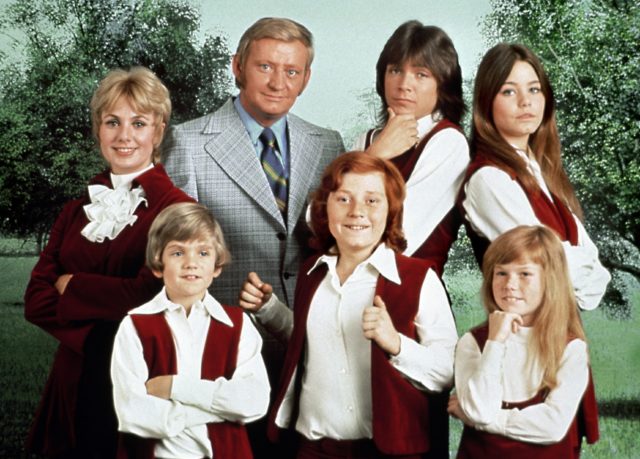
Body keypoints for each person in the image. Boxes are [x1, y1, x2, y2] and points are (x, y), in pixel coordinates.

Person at [240, 152, 458, 458]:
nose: (357, 211)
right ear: (324, 206)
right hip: (314, 449)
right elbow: (312, 342)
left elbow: (447, 373)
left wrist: (396, 344)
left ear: (391, 209)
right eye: (343, 199)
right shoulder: (312, 272)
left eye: (372, 200)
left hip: (389, 451)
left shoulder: (419, 279)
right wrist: (269, 309)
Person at [23, 67, 193, 458]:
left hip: (142, 382)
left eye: (139, 123)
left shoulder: (178, 209)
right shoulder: (75, 210)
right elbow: (34, 300)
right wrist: (98, 336)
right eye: (112, 122)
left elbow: (155, 295)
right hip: (72, 378)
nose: (124, 136)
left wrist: (73, 286)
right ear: (98, 129)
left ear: (159, 130)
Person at [110, 202, 269, 459]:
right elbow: (133, 412)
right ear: (157, 265)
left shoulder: (238, 325)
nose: (191, 263)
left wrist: (174, 387)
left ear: (217, 267)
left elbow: (254, 402)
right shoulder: (135, 326)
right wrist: (220, 410)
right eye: (177, 253)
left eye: (203, 253)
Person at [458, 43, 610, 310]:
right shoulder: (489, 179)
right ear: (486, 102)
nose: (525, 101)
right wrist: (572, 261)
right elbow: (546, 266)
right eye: (508, 91)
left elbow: (597, 279)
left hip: (560, 338)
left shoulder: (539, 171)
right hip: (519, 340)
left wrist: (573, 262)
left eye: (534, 89)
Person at [448, 225, 599, 458]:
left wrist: (489, 421)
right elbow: (479, 409)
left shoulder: (571, 348)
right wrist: (495, 341)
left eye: (525, 274)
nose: (510, 284)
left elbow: (552, 426)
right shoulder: (473, 342)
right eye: (501, 273)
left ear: (550, 280)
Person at [353, 21, 468, 277]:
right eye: (395, 70)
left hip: (411, 297)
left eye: (421, 74)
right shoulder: (368, 141)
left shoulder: (448, 142)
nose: (404, 84)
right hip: (350, 291)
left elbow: (396, 239)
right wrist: (376, 155)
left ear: (443, 84)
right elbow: (314, 219)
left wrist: (366, 164)